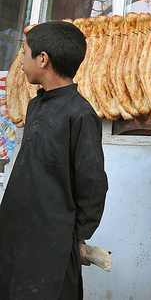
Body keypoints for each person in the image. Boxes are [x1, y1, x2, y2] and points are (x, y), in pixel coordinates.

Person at [0, 21, 108, 299]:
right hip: (17, 229)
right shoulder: (36, 104)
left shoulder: (80, 114)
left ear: (43, 59)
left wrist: (79, 236)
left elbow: (93, 181)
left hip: (54, 240)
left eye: (24, 53)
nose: (21, 60)